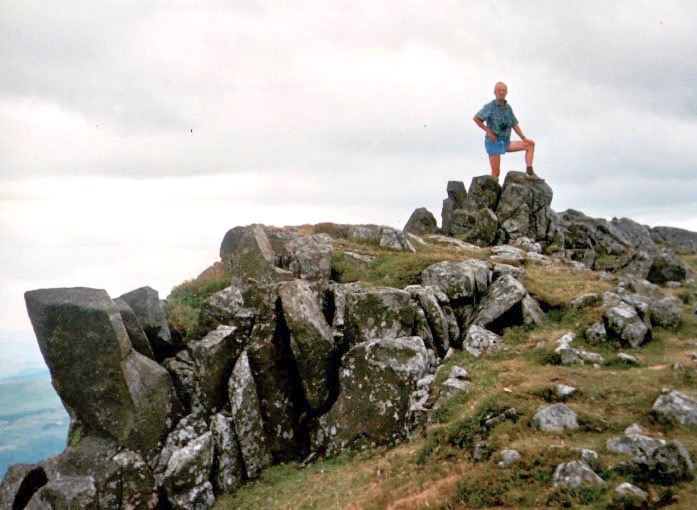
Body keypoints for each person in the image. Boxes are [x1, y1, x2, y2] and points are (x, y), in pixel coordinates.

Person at [473, 82, 541, 181]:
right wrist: (488, 131)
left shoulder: (508, 108)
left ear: (506, 92)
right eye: (499, 90)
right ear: (495, 92)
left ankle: (530, 171)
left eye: (503, 90)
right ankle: (491, 193)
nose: (501, 92)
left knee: (530, 145)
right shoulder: (490, 106)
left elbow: (514, 124)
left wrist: (524, 138)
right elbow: (477, 118)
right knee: (496, 173)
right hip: (494, 142)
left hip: (505, 142)